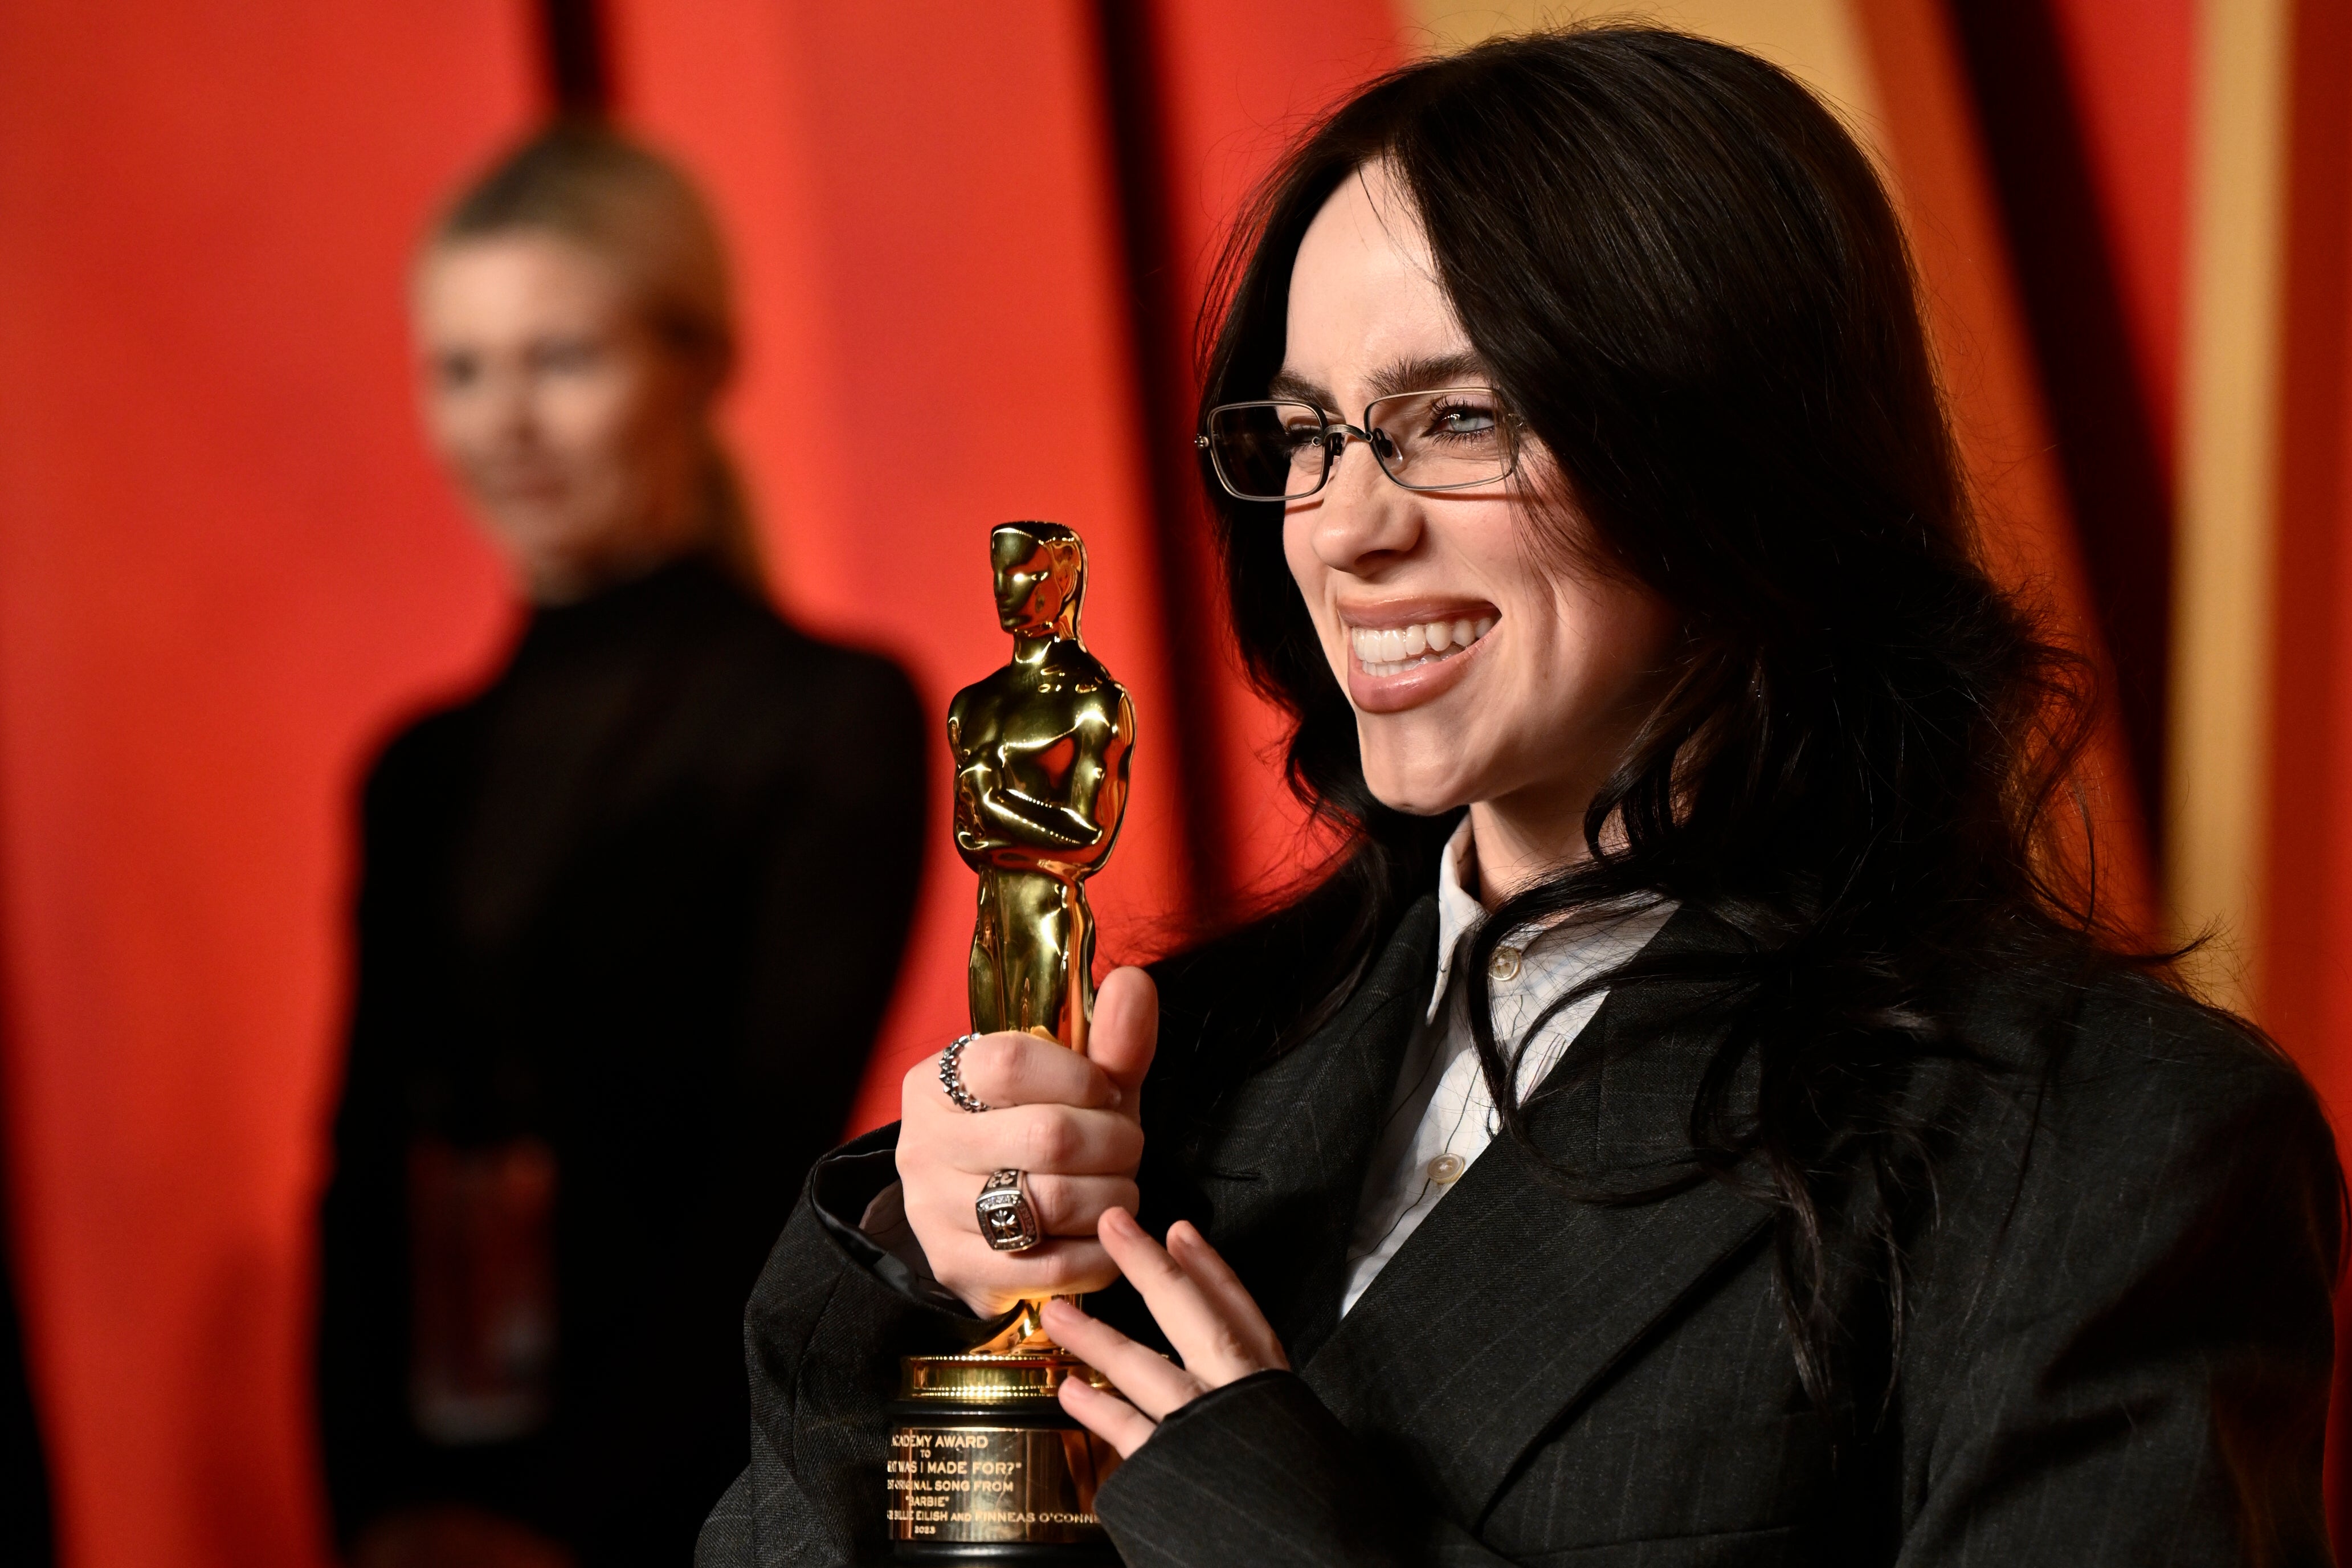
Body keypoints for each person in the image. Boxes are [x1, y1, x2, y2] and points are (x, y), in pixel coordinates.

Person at [699, 27, 2343, 1568]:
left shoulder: (2109, 1143)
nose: (1344, 528)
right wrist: (930, 1271)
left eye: (1458, 419)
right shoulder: (1172, 1069)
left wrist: (1291, 1534)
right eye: (1309, 433)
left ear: (1729, 448)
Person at [317, 125, 928, 1568]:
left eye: (561, 359)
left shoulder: (829, 716)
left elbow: (766, 1168)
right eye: (460, 369)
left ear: (699, 366)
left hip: (695, 1489)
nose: (502, 423)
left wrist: (542, 1526)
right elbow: (356, 1176)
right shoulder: (420, 770)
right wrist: (378, 1512)